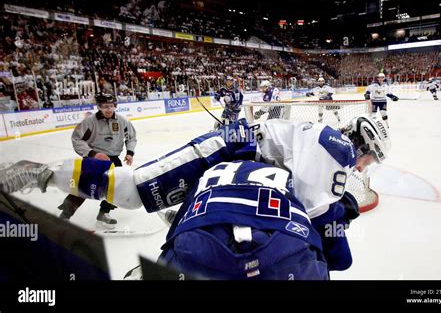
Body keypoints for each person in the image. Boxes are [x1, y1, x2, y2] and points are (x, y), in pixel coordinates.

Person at [0, 114, 390, 279]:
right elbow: (310, 215)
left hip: (238, 166)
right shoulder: (336, 147)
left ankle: (186, 213)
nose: (364, 166)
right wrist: (338, 212)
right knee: (135, 189)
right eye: (370, 157)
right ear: (362, 142)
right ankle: (43, 173)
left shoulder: (326, 146)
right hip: (228, 149)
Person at [57, 93, 137, 229]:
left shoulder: (123, 121)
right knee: (83, 188)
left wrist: (129, 153)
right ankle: (65, 215)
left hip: (113, 160)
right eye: (105, 106)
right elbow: (76, 139)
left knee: (116, 189)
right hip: (93, 160)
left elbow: (132, 137)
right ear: (99, 107)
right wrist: (93, 154)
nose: (109, 109)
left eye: (111, 106)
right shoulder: (89, 122)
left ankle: (103, 214)